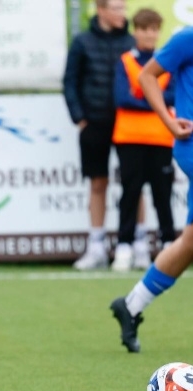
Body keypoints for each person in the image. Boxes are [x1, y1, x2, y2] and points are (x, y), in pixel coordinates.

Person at [110, 26, 193, 353]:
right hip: (191, 145)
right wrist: (170, 122)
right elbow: (147, 77)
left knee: (190, 241)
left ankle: (131, 305)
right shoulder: (188, 38)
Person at [63, 0, 136, 270]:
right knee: (97, 182)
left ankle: (135, 243)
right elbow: (70, 80)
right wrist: (79, 117)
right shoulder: (82, 42)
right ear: (101, 10)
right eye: (116, 8)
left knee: (133, 183)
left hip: (128, 123)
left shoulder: (131, 41)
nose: (121, 13)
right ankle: (96, 246)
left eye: (123, 8)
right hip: (94, 123)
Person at [111, 8, 176, 272]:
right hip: (130, 137)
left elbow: (172, 95)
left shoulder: (166, 62)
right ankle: (124, 246)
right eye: (144, 29)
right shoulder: (126, 60)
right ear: (135, 31)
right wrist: (155, 98)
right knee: (130, 191)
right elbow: (121, 98)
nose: (149, 34)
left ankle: (169, 243)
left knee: (163, 193)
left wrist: (141, 95)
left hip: (161, 136)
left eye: (154, 29)